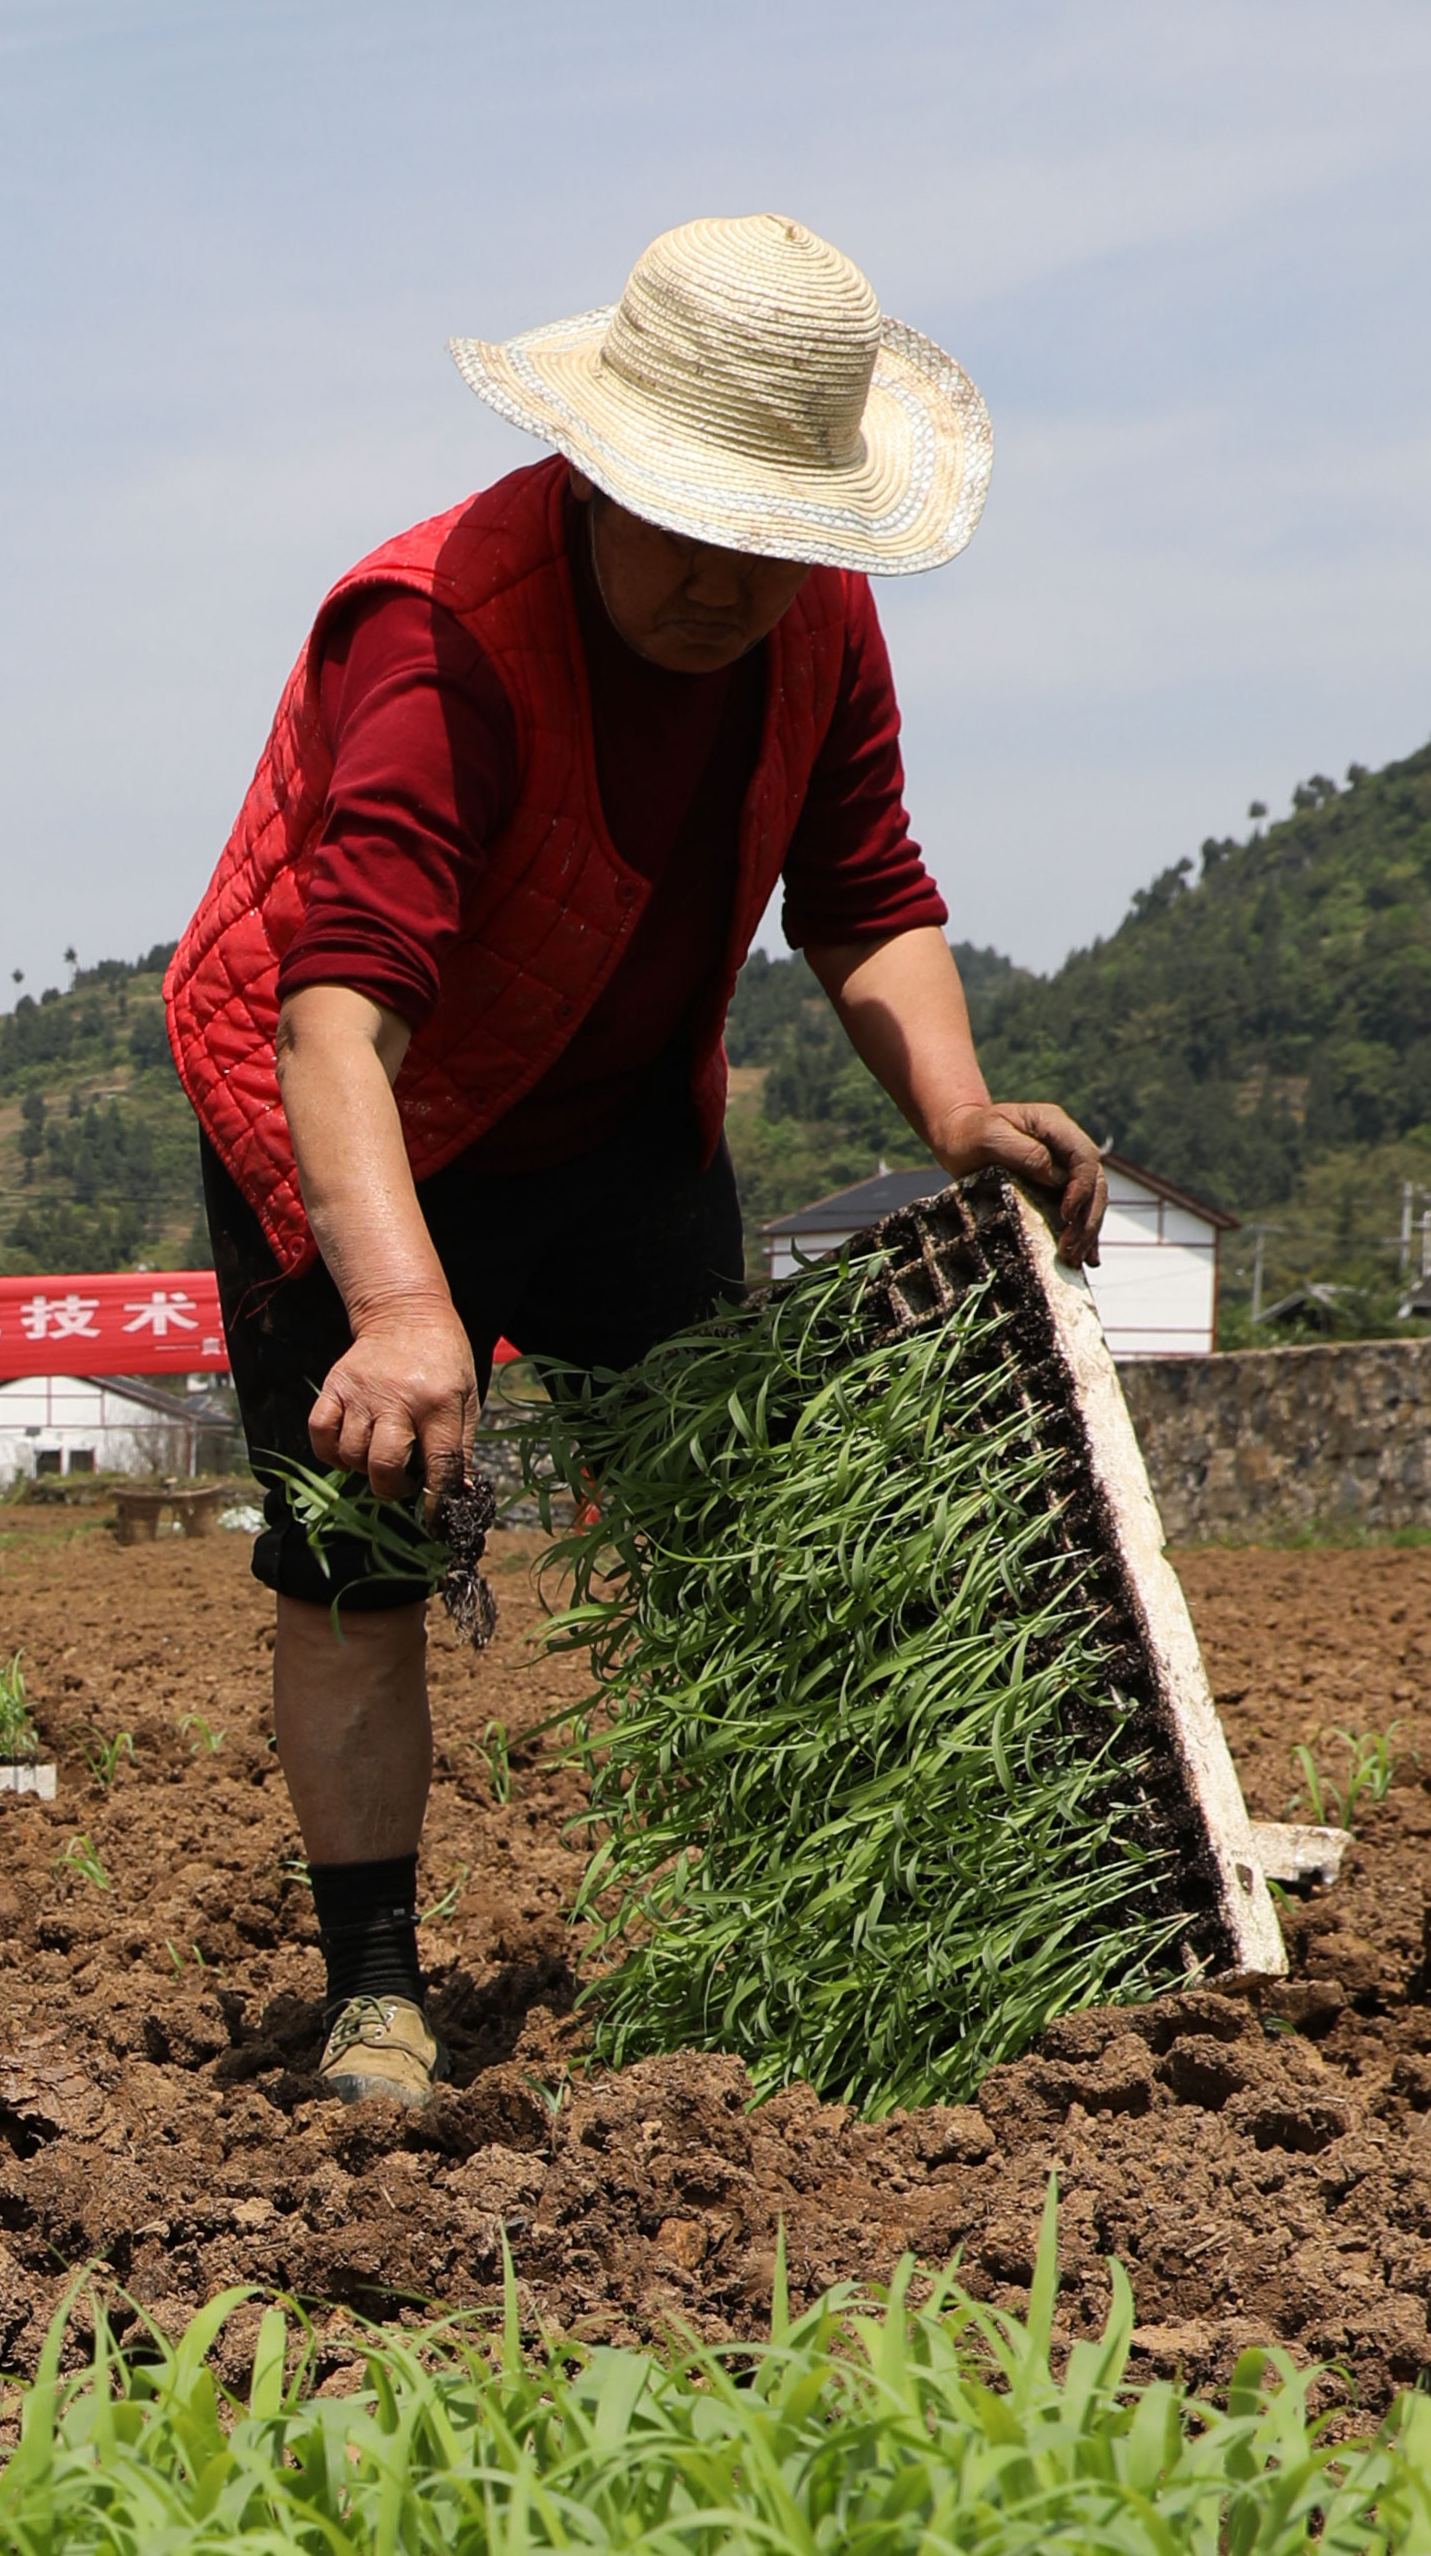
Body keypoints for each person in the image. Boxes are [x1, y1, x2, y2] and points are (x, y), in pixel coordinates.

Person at [167, 210, 1109, 2106]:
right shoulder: (439, 636)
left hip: (616, 1112)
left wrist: (952, 1106)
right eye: (695, 526)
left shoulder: (811, 622)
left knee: (736, 1513)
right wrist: (409, 1308)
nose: (732, 584)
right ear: (601, 467)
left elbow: (863, 892)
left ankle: (797, 1930)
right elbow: (334, 1019)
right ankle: (374, 1992)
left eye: (778, 539)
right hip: (362, 1130)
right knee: (359, 1551)